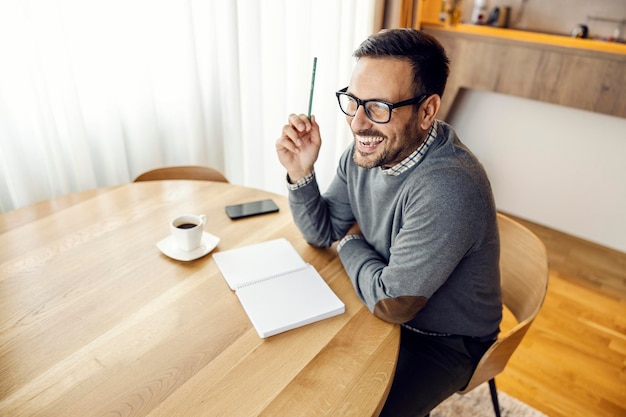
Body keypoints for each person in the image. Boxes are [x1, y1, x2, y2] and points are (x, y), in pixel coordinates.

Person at [275, 28, 502, 417]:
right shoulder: (368, 150)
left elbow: (392, 303)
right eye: (354, 101)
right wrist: (301, 172)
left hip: (443, 339)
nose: (359, 123)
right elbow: (322, 231)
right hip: (385, 294)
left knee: (353, 409)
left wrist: (350, 243)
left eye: (379, 106)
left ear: (428, 111)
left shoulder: (449, 188)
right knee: (295, 374)